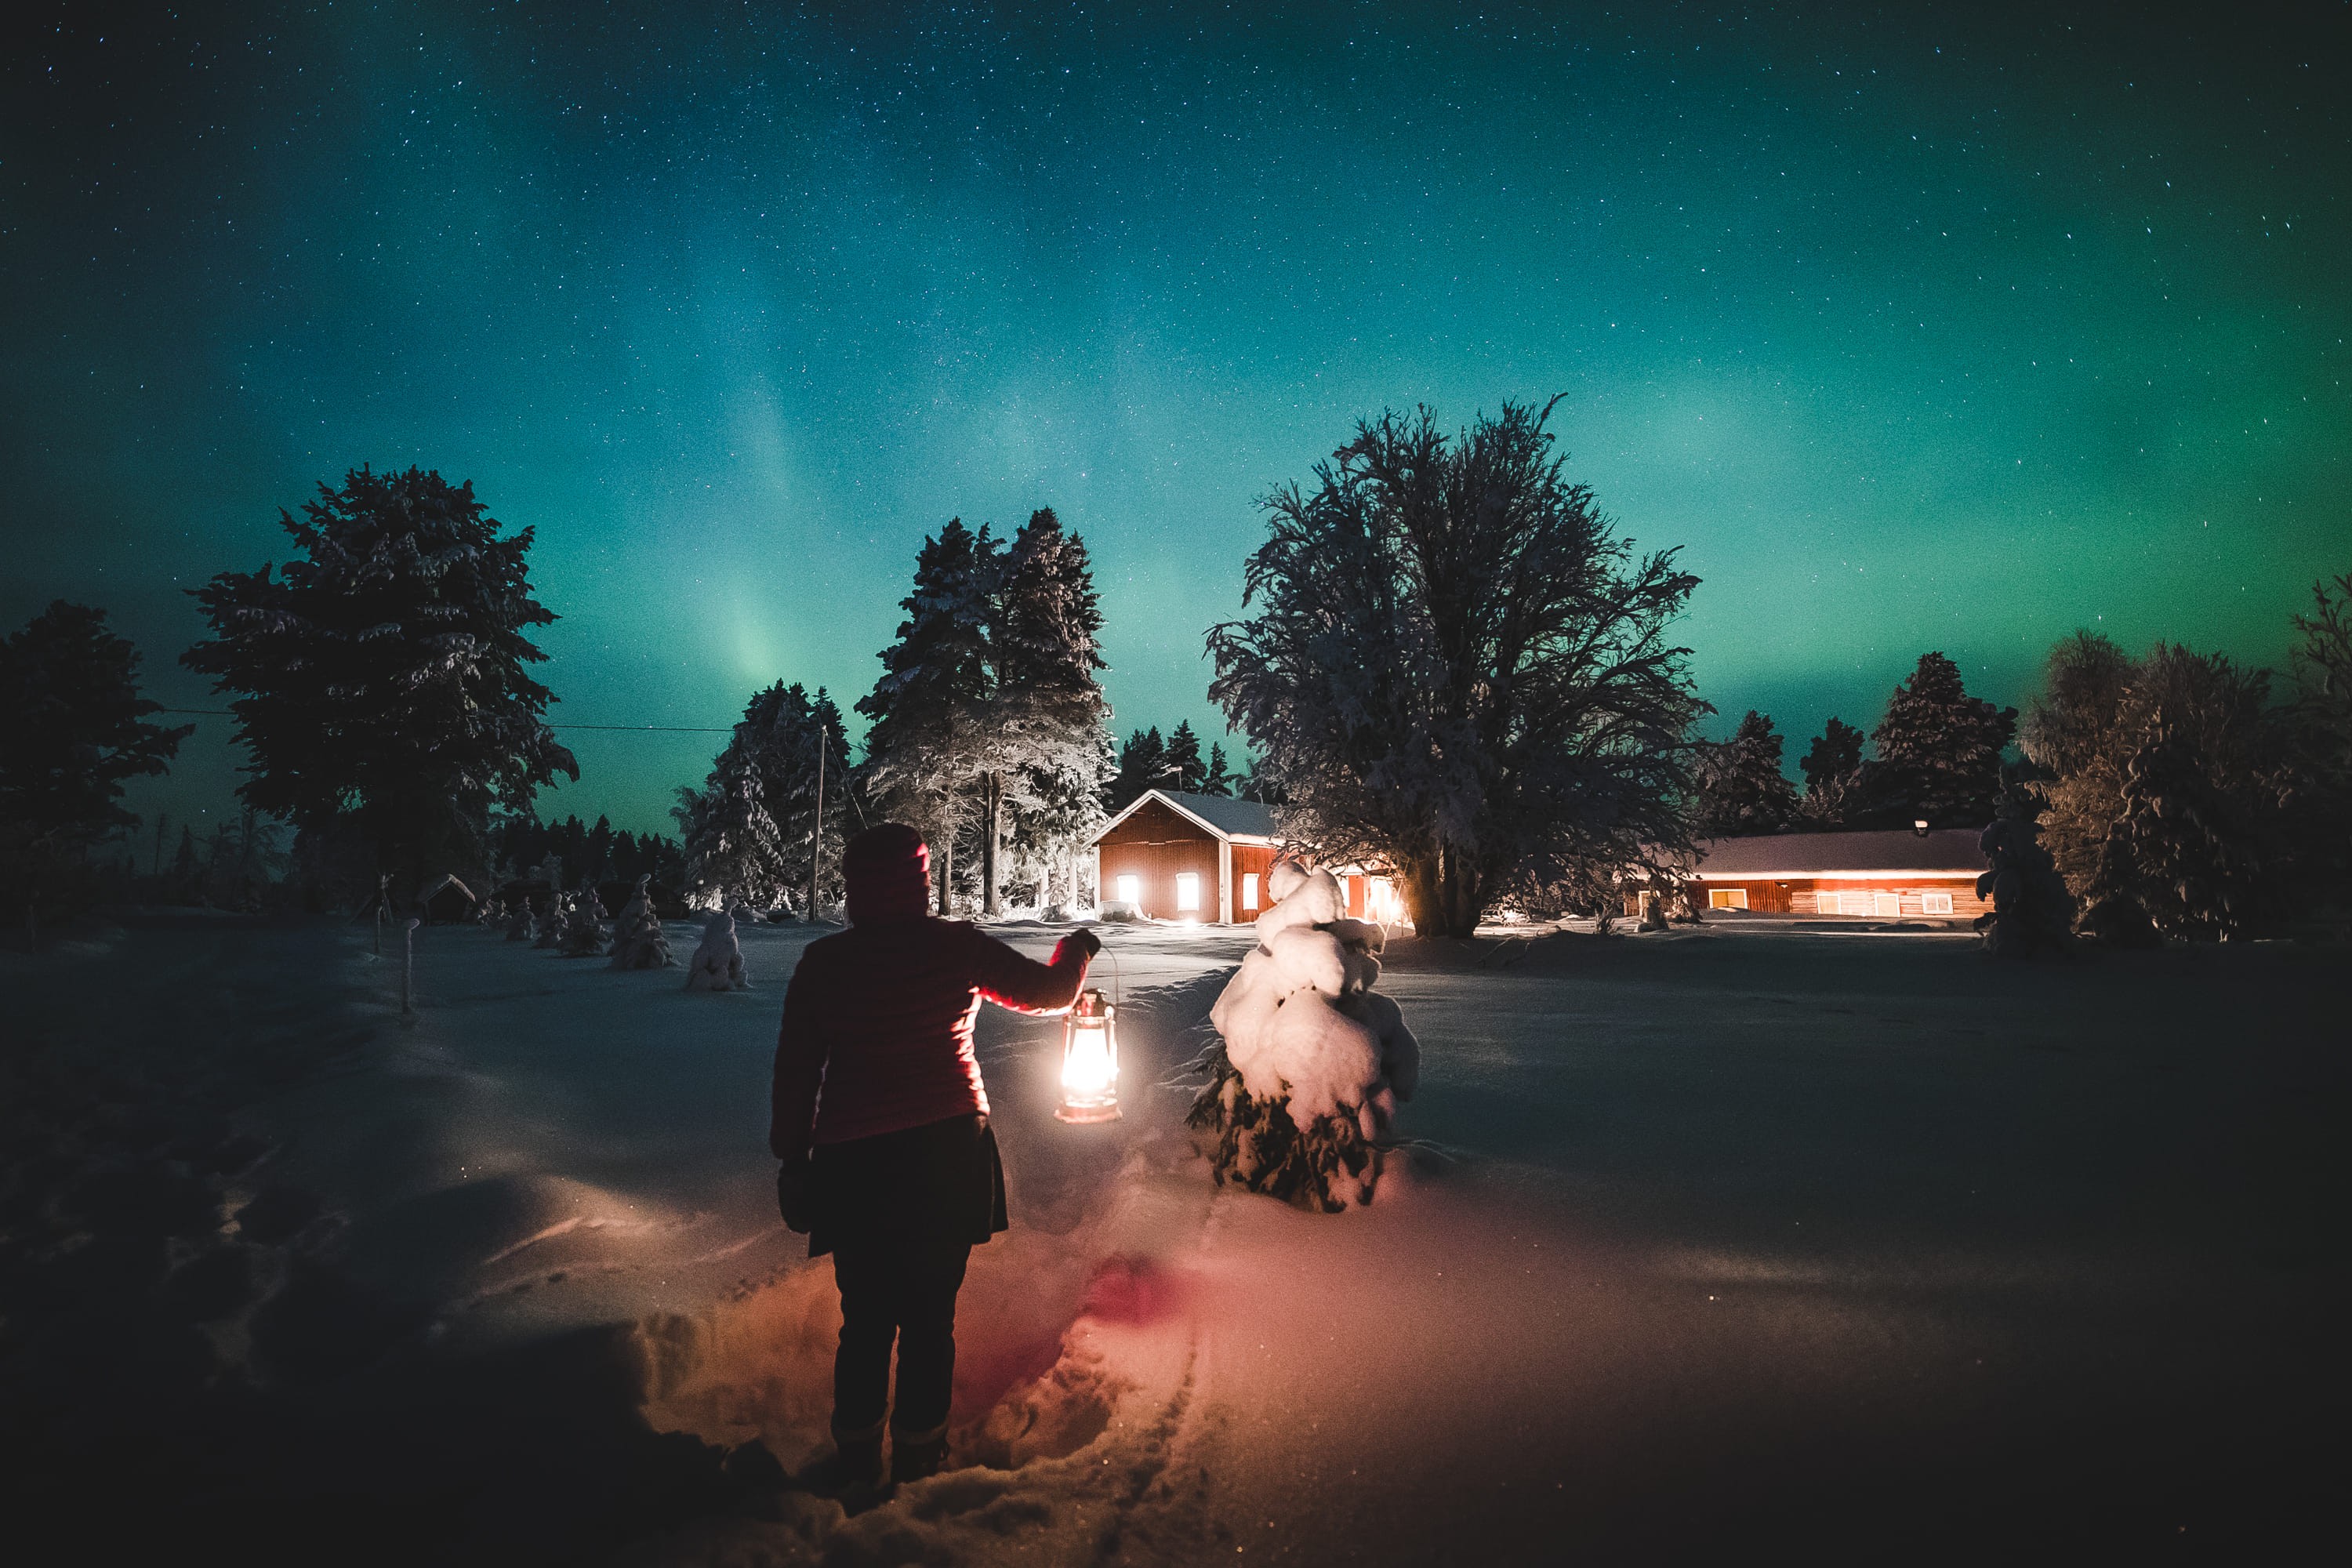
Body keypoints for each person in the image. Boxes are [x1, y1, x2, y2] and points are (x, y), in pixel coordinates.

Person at [770, 822, 1100, 1495]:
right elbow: (1048, 994)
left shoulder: (824, 966)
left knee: (863, 1321)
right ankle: (921, 1461)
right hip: (944, 1153)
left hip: (852, 1162)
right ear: (920, 879)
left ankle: (858, 1464)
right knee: (928, 1320)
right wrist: (1075, 951)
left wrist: (794, 1158)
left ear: (856, 884)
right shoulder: (951, 948)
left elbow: (796, 1071)